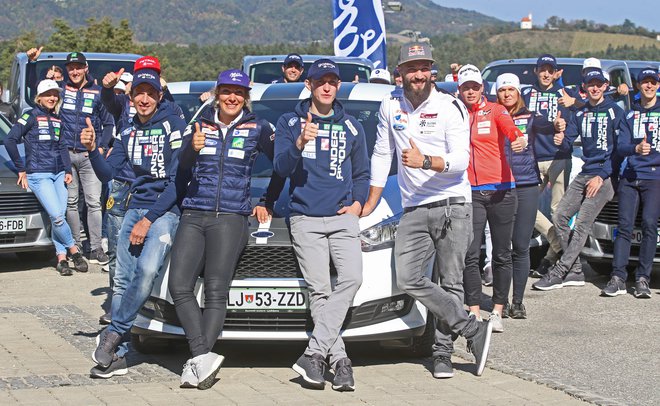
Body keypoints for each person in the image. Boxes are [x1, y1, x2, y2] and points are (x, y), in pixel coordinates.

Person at [362, 43, 494, 379]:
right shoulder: (390, 104)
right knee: (408, 278)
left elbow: (461, 161)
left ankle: (442, 354)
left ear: (431, 71)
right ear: (400, 72)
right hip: (413, 207)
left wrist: (426, 161)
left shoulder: (450, 106)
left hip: (453, 204)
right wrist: (372, 201)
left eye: (424, 67)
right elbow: (381, 153)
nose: (418, 74)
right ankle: (471, 327)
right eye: (412, 67)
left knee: (451, 283)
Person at [168, 69, 284, 390]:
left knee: (216, 291)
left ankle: (198, 365)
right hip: (194, 213)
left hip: (231, 218)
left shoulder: (259, 128)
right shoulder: (199, 125)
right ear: (217, 94)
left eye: (238, 92)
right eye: (226, 91)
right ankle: (202, 356)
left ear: (245, 96)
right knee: (180, 286)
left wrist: (268, 200)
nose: (232, 97)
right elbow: (182, 165)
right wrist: (191, 146)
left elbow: (283, 166)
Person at [84, 68, 187, 378]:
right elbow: (108, 172)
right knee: (122, 279)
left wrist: (149, 219)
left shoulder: (174, 125)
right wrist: (91, 151)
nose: (144, 98)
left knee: (145, 273)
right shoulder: (127, 130)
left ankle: (113, 334)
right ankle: (120, 350)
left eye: (150, 92)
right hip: (133, 209)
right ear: (130, 98)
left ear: (158, 96)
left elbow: (177, 182)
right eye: (138, 93)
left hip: (165, 212)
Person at [274, 58, 369, 391]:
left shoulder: (353, 126)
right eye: (320, 81)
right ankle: (340, 362)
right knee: (320, 292)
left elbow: (362, 174)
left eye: (332, 81)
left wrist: (358, 204)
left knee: (353, 279)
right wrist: (300, 142)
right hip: (305, 219)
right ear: (309, 85)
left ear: (338, 86)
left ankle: (313, 354)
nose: (327, 86)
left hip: (343, 218)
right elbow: (281, 167)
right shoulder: (289, 121)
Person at [533, 68, 626, 291]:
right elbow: (567, 143)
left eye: (599, 83)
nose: (594, 87)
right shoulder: (580, 112)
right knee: (560, 215)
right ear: (584, 87)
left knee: (583, 222)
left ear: (606, 86)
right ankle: (574, 270)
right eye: (590, 84)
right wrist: (560, 136)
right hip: (586, 172)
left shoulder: (615, 112)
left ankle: (560, 270)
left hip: (605, 176)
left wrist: (602, 176)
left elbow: (619, 152)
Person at [457, 64, 528, 333]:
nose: (471, 91)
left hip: (501, 190)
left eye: (475, 86)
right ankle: (474, 309)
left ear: (482, 88)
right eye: (466, 87)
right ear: (460, 90)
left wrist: (519, 139)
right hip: (470, 192)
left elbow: (511, 129)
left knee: (501, 253)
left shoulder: (495, 110)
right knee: (471, 252)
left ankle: (498, 309)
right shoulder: (456, 113)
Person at [495, 73, 565, 318]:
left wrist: (558, 126)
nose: (506, 94)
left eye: (510, 90)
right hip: (500, 186)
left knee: (521, 247)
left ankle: (518, 302)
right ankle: (500, 302)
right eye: (502, 90)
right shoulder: (492, 115)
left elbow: (547, 127)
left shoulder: (530, 117)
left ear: (518, 93)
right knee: (501, 248)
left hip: (526, 185)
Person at [5, 79, 87, 275]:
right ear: (39, 97)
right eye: (48, 94)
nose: (52, 98)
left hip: (59, 174)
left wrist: (67, 170)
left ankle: (61, 259)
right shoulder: (30, 116)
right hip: (38, 175)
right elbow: (10, 140)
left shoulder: (58, 119)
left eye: (54, 94)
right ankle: (74, 251)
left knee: (58, 215)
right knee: (58, 218)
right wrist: (21, 169)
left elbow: (61, 146)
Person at [602, 68, 660, 298]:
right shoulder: (629, 115)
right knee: (624, 227)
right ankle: (617, 277)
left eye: (652, 82)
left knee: (649, 225)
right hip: (630, 177)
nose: (648, 86)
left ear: (657, 85)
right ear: (638, 86)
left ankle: (642, 279)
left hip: (654, 177)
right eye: (644, 82)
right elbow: (621, 146)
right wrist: (636, 148)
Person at [59, 52, 114, 265]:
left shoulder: (97, 91)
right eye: (71, 67)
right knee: (71, 203)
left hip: (89, 155)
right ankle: (76, 246)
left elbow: (109, 124)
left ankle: (97, 247)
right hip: (66, 155)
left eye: (78, 67)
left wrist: (101, 147)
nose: (74, 71)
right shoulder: (61, 90)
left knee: (93, 202)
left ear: (86, 68)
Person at [521, 54, 571, 278]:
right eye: (542, 69)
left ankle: (550, 260)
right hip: (530, 158)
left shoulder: (564, 95)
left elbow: (581, 115)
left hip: (558, 158)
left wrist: (565, 124)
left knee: (557, 211)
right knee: (526, 208)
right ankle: (559, 244)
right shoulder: (525, 93)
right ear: (536, 71)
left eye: (551, 70)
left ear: (557, 73)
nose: (546, 73)